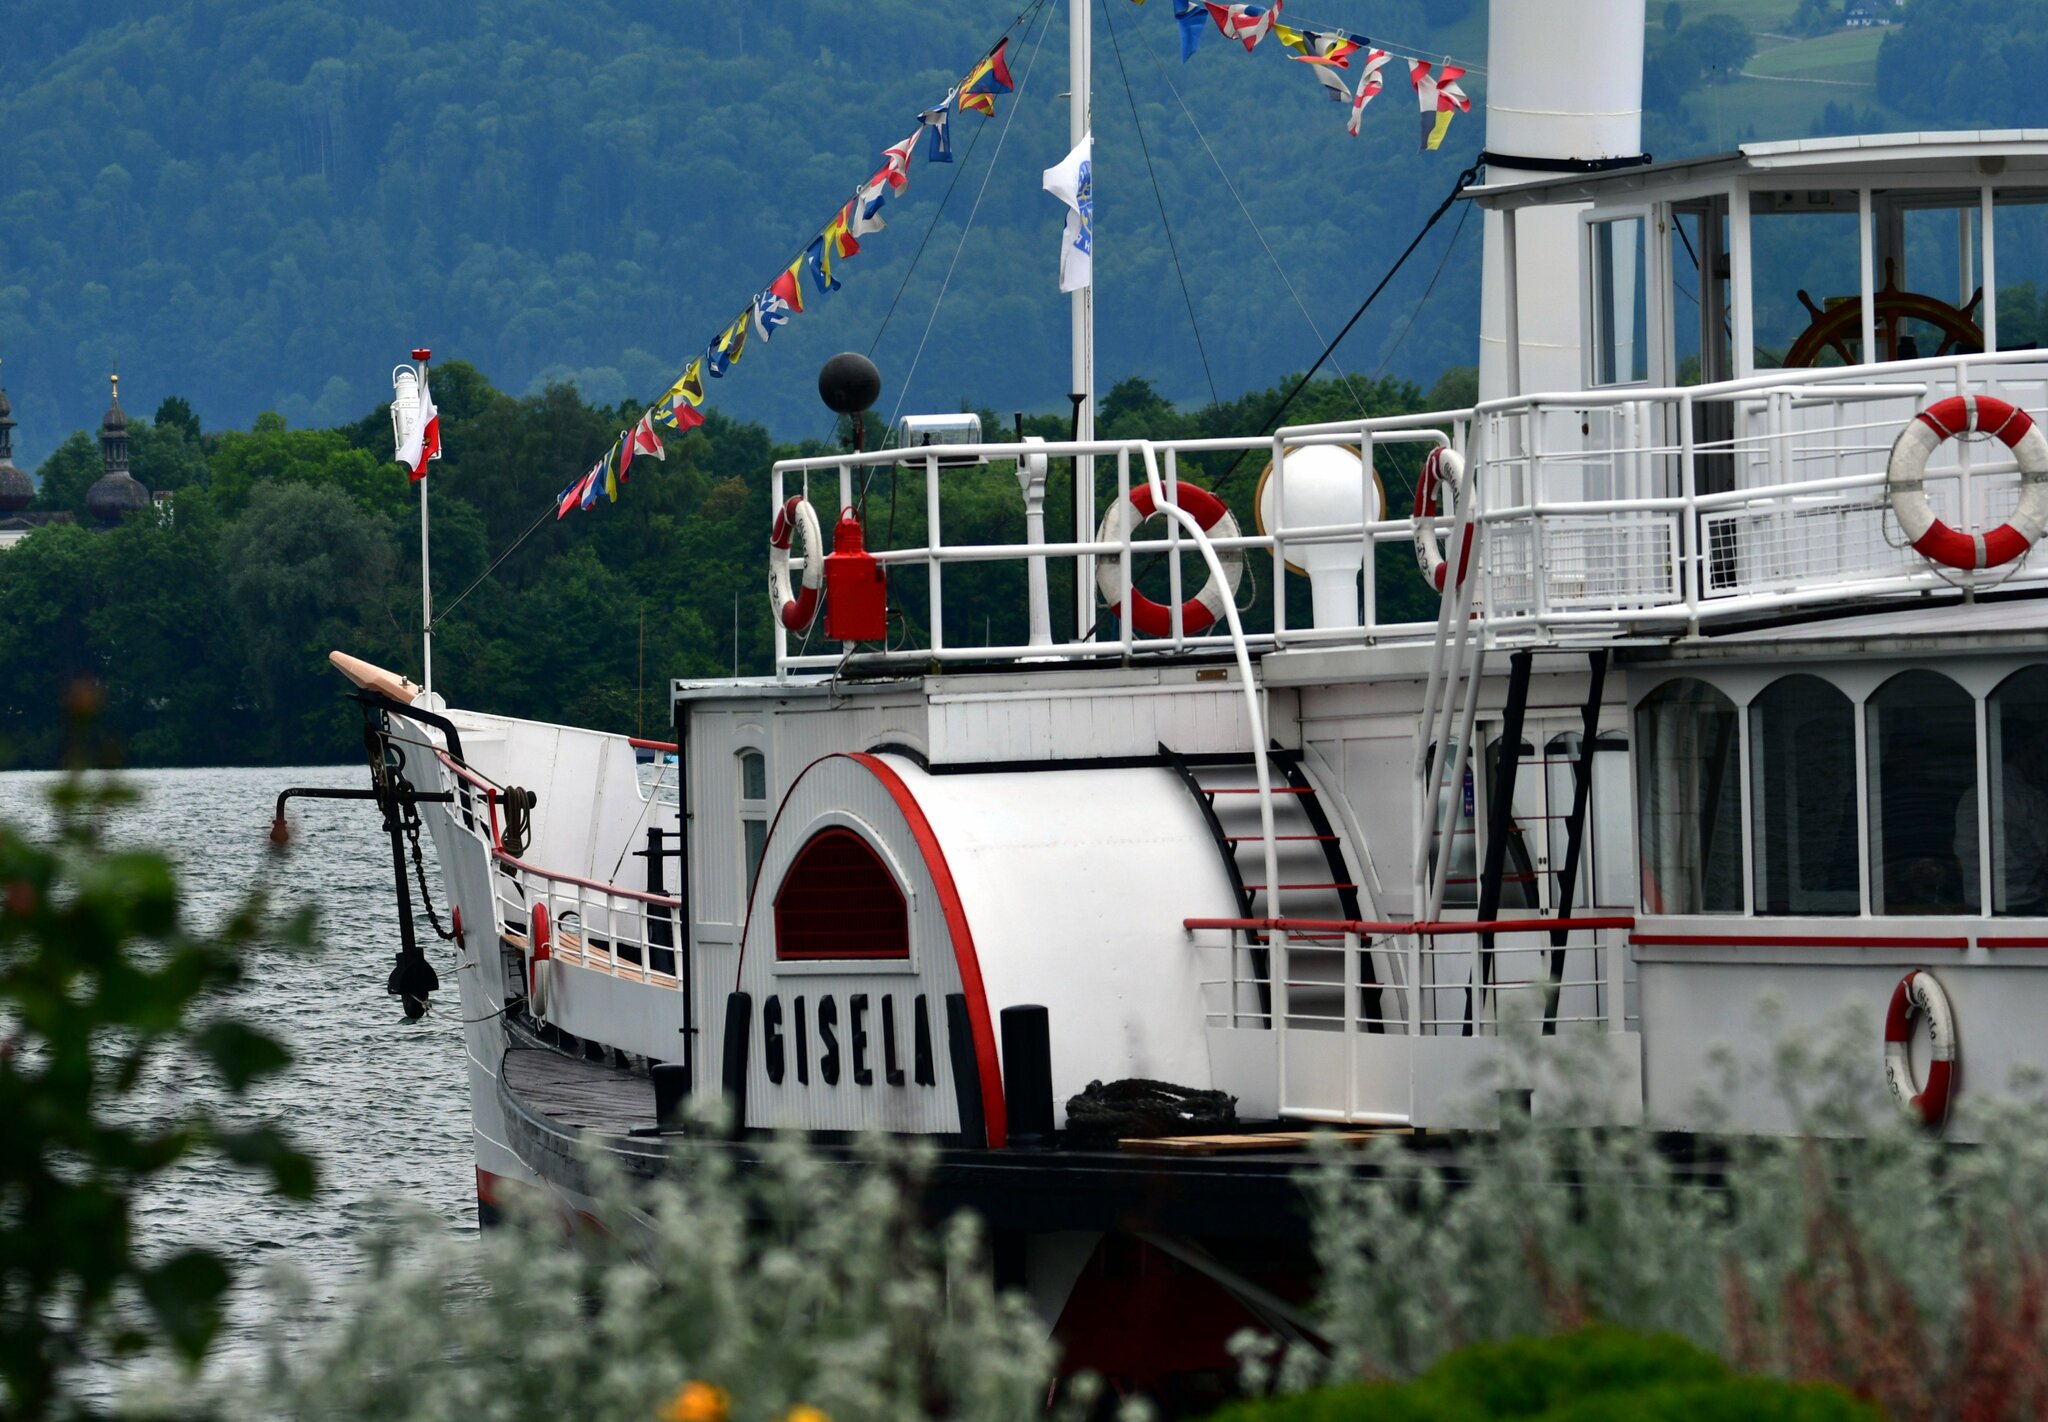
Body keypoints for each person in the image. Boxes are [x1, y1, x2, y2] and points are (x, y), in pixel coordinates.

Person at [1955, 729, 2048, 914]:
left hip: (1975, 905)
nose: (2041, 758)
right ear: (2023, 751)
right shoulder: (2028, 798)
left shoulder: (1969, 796)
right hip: (2024, 905)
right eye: (2037, 751)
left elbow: (1960, 854)